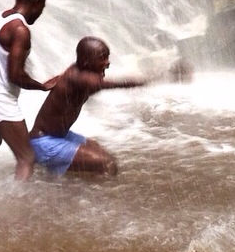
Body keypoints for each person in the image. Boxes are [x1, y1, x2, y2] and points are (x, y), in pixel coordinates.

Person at [29, 36, 153, 177]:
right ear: (85, 61)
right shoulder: (80, 78)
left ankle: (53, 174)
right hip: (43, 141)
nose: (107, 63)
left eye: (107, 57)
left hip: (58, 136)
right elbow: (111, 84)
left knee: (98, 150)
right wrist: (151, 79)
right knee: (107, 164)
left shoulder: (76, 71)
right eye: (102, 58)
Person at [0, 0, 57, 181]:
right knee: (26, 157)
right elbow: (15, 75)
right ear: (36, 4)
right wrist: (42, 86)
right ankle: (19, 207)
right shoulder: (20, 30)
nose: (40, 13)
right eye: (42, 8)